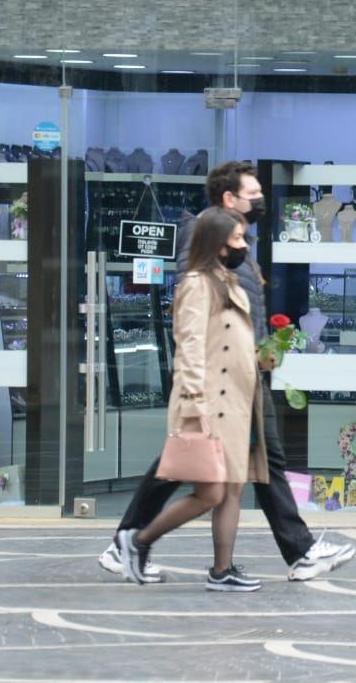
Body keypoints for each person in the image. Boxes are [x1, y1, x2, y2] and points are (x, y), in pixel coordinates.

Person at [100, 161, 356, 583]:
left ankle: (143, 544)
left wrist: (260, 349)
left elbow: (241, 310)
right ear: (229, 199)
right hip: (217, 384)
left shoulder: (238, 243)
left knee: (227, 466)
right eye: (252, 194)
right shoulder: (206, 242)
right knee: (193, 467)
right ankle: (136, 542)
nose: (260, 200)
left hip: (242, 375)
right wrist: (197, 393)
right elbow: (194, 318)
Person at [116, 207, 264, 590]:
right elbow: (191, 347)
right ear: (217, 243)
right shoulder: (197, 284)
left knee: (231, 490)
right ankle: (138, 541)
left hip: (236, 403)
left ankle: (222, 570)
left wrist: (258, 357)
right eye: (236, 239)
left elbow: (229, 340)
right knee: (211, 492)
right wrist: (195, 404)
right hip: (210, 404)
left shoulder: (228, 282)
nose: (243, 246)